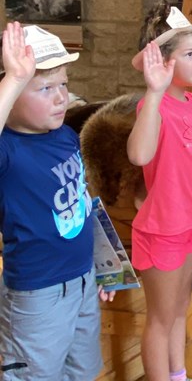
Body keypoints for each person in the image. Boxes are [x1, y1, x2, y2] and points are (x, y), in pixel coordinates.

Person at [0, 22, 114, 380]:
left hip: (82, 280)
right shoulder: (8, 149)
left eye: (63, 84)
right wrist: (16, 77)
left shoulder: (64, 135)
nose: (60, 97)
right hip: (38, 294)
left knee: (82, 372)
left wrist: (103, 264)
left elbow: (80, 202)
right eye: (44, 87)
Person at [128, 1, 192, 381]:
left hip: (191, 223)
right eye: (189, 54)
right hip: (162, 228)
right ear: (164, 61)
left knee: (180, 310)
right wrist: (153, 94)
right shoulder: (153, 107)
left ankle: (178, 375)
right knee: (160, 318)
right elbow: (139, 154)